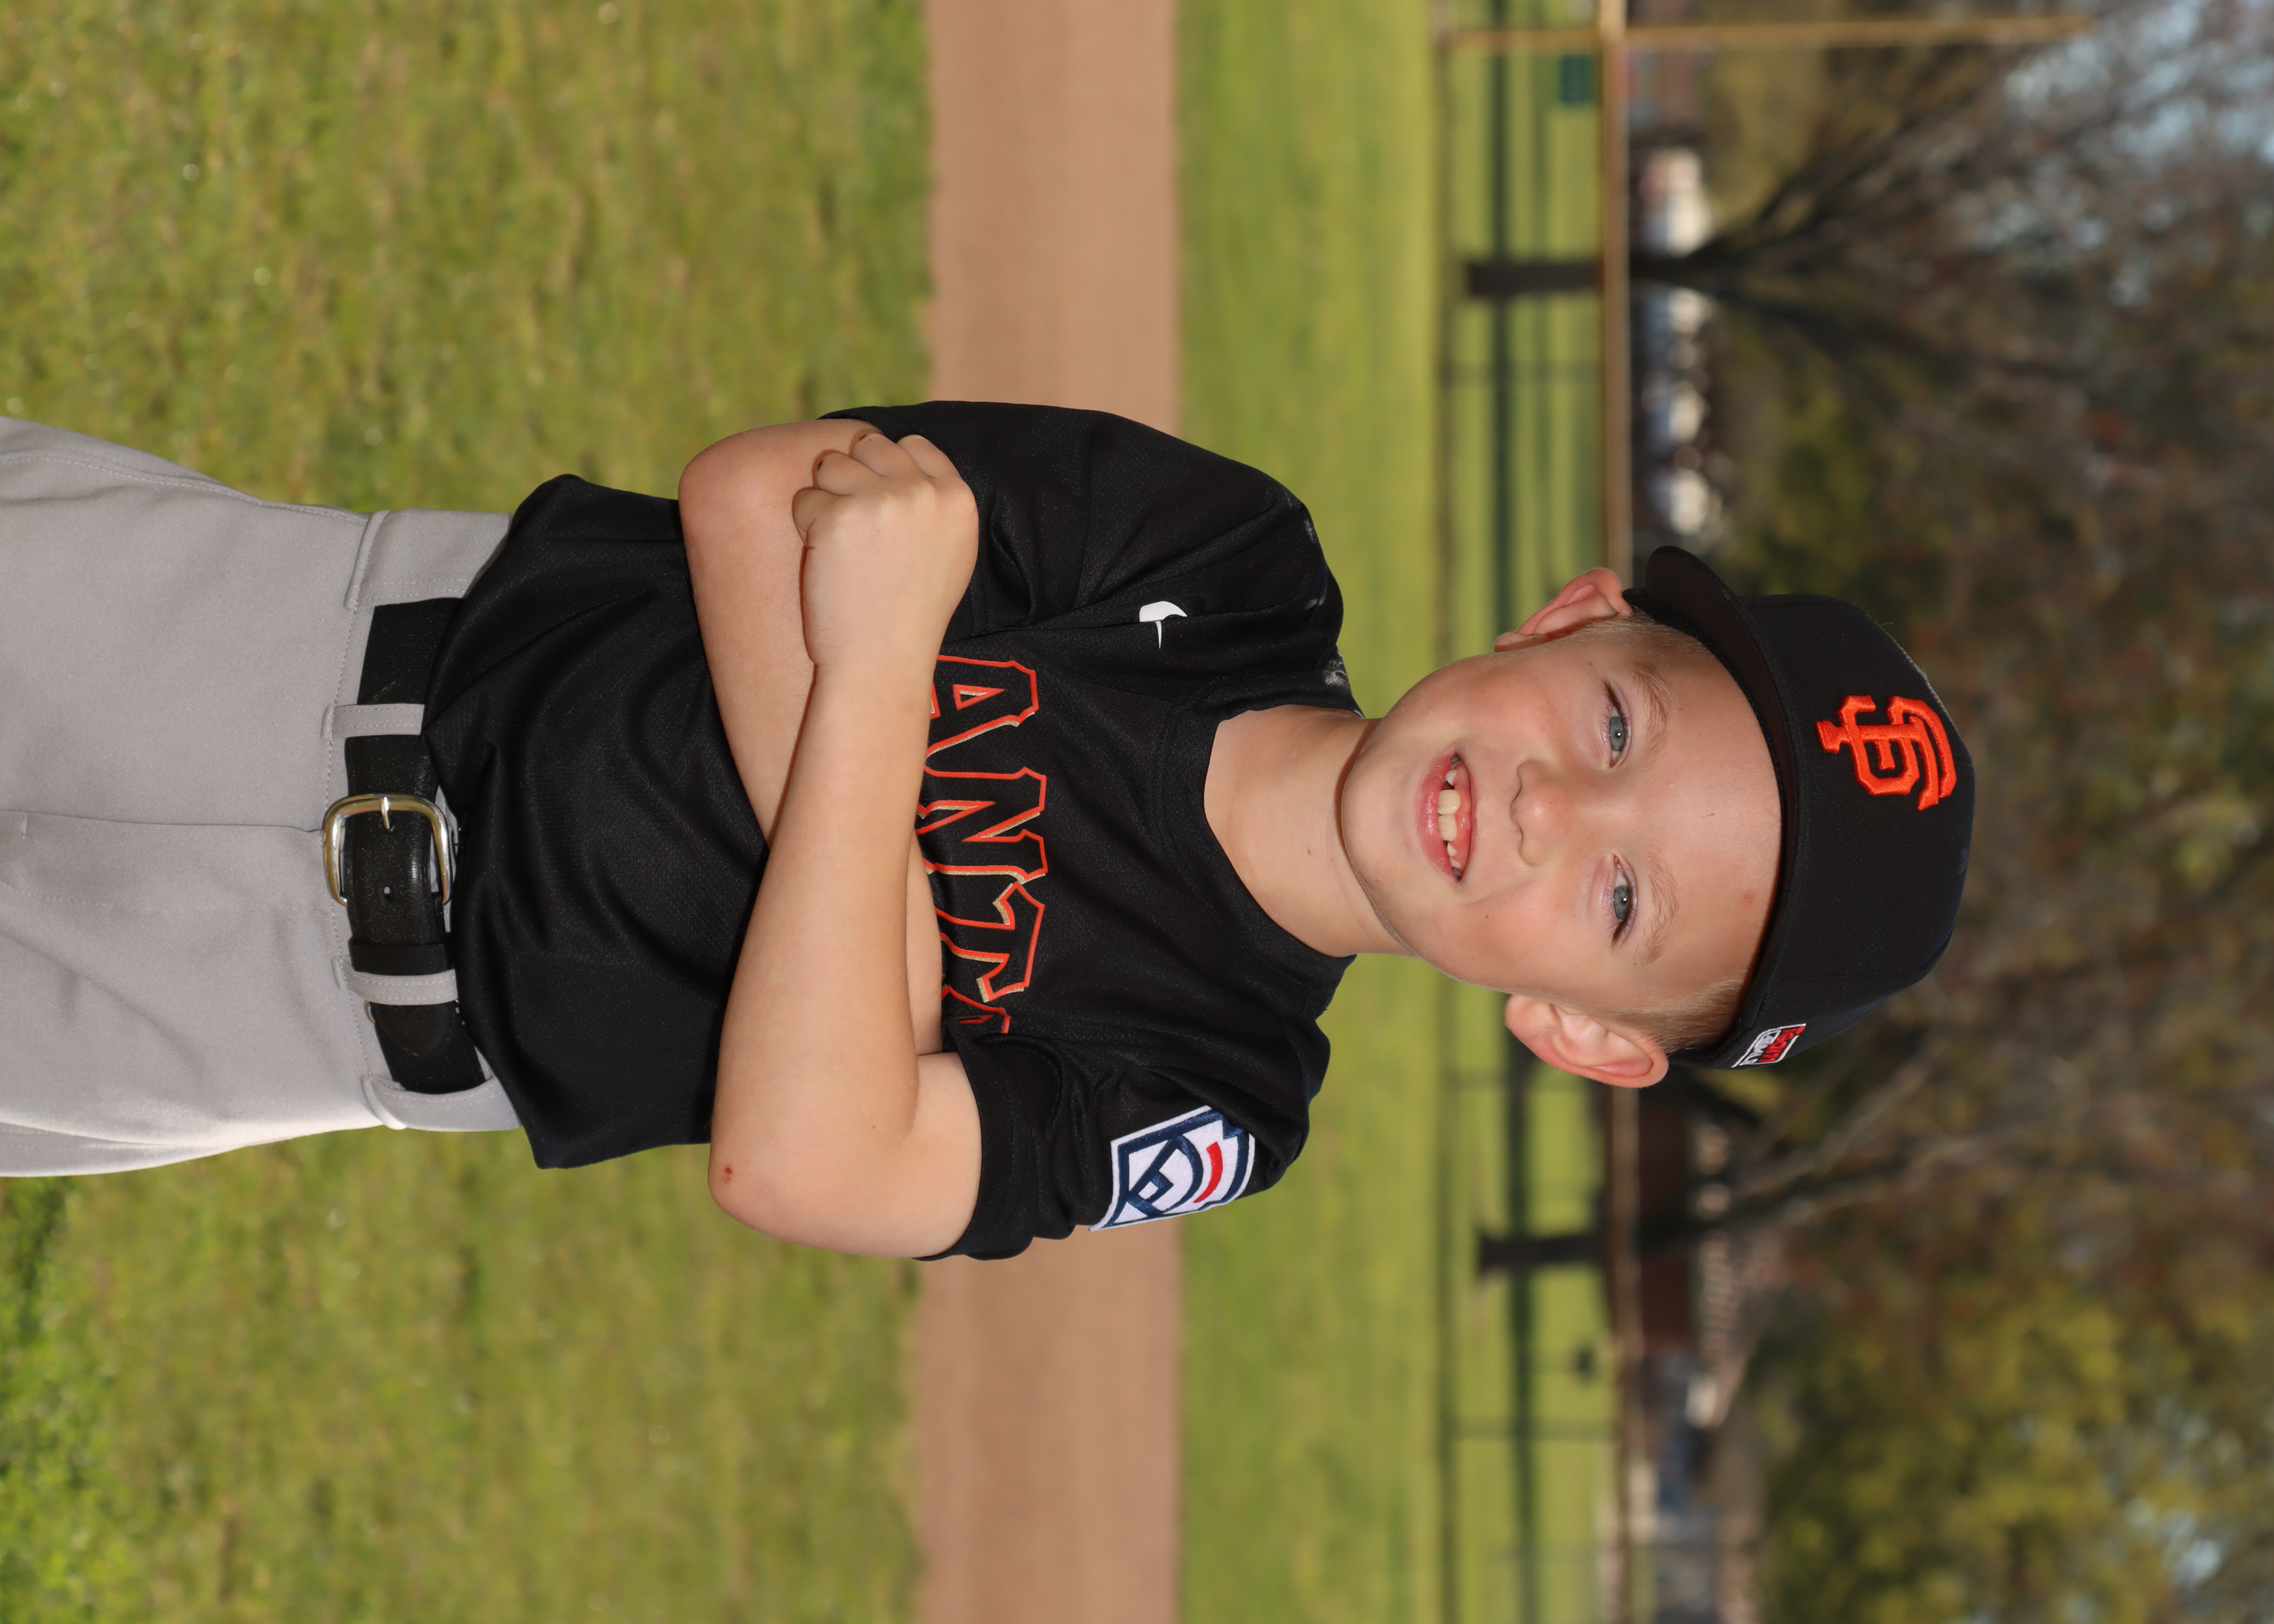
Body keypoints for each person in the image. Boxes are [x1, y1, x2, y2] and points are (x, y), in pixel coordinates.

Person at [0, 404, 1973, 1259]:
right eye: (1614, 722)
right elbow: (761, 497)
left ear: (1584, 1032)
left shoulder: (1216, 1089)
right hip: (289, 636)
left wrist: (875, 671)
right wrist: (878, 986)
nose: (1546, 805)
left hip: (289, 1023)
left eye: (1620, 899)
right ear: (1566, 618)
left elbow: (801, 1160)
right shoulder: (1226, 558)